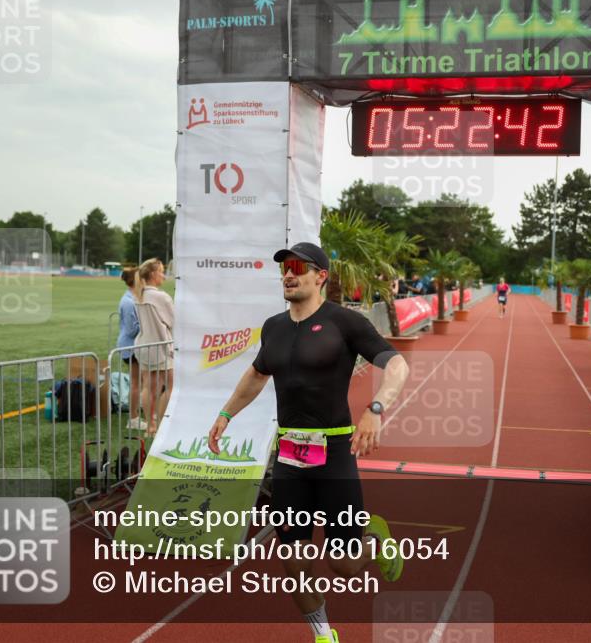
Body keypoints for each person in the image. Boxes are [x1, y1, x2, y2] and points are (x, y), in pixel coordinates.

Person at [208, 242, 410, 643]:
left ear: (321, 276)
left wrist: (375, 407)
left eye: (298, 267)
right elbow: (256, 374)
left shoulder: (344, 323)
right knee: (293, 558)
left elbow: (397, 365)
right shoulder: (274, 327)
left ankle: (375, 540)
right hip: (289, 456)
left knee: (344, 564)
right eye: (284, 267)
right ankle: (323, 634)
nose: (288, 273)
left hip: (334, 454)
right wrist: (225, 414)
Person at [133, 258, 174, 437]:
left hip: (144, 345)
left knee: (148, 386)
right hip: (161, 346)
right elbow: (174, 321)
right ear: (152, 274)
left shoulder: (138, 294)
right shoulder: (161, 296)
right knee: (173, 385)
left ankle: (151, 426)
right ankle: (162, 423)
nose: (163, 275)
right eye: (161, 271)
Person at [117, 267, 143, 430]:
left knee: (139, 382)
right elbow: (131, 329)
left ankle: (137, 414)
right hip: (130, 346)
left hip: (134, 345)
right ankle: (133, 419)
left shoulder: (133, 298)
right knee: (136, 383)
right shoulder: (128, 302)